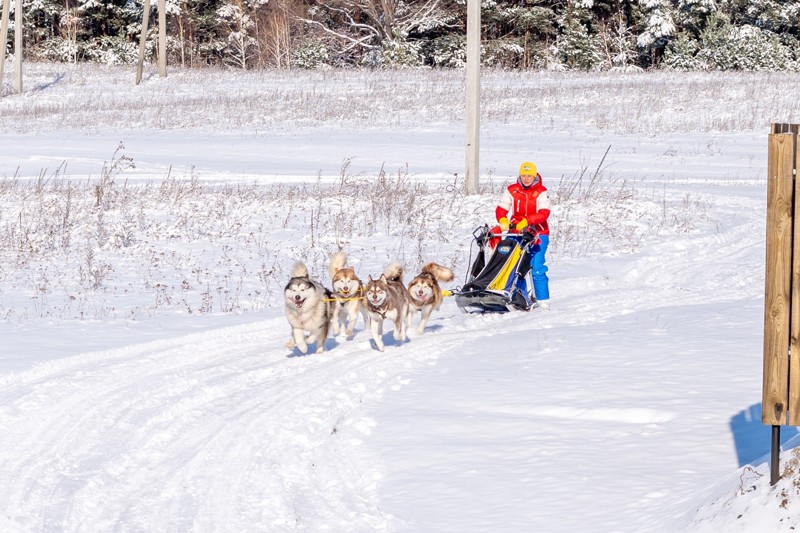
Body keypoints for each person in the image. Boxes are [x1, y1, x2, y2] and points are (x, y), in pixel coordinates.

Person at [492, 161, 551, 310]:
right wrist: (503, 220)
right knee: (512, 264)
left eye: (529, 175)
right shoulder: (512, 190)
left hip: (538, 233)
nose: (526, 179)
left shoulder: (541, 191)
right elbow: (501, 208)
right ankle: (519, 296)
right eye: (523, 175)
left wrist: (527, 221)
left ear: (534, 176)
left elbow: (544, 213)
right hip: (516, 232)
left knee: (536, 266)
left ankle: (543, 301)